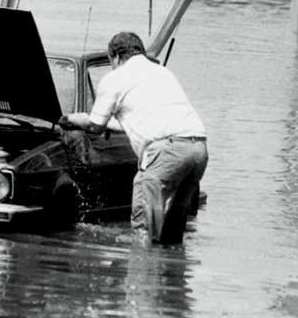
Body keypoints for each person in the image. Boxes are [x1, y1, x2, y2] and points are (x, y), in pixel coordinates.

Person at [58, 31, 208, 244]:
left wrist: (74, 120)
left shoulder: (116, 77)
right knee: (172, 232)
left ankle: (141, 269)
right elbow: (139, 121)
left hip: (167, 152)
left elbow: (95, 127)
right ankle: (172, 270)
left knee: (143, 229)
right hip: (198, 150)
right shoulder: (162, 73)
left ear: (116, 56)